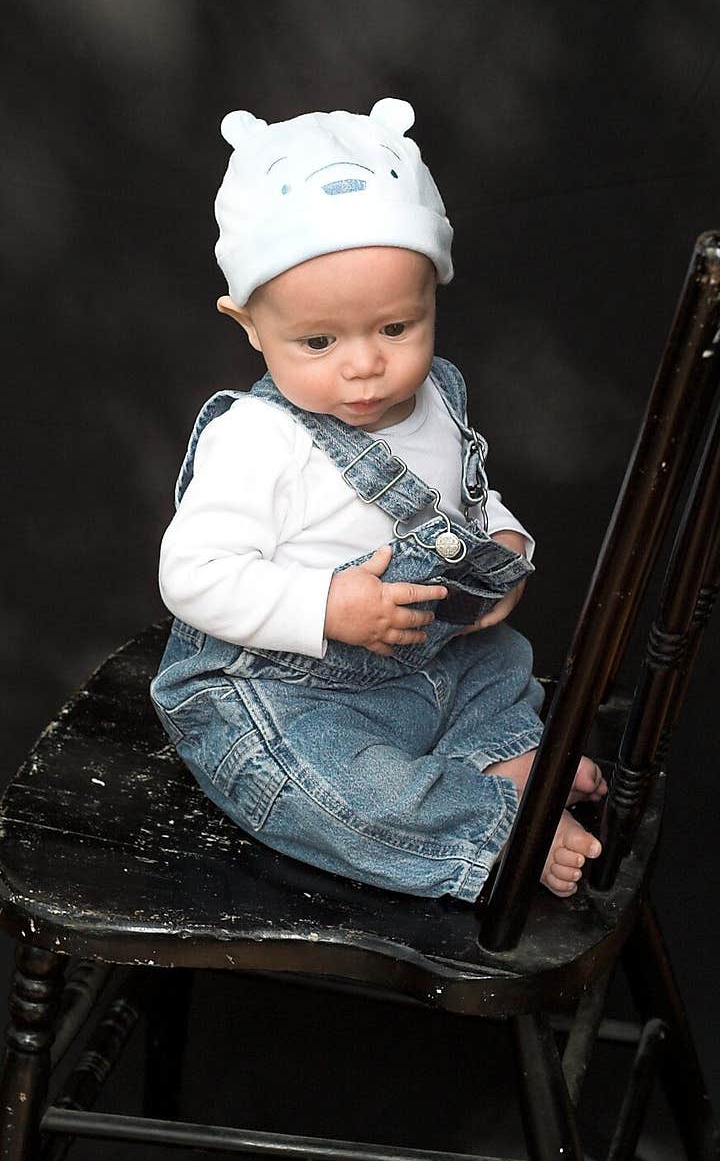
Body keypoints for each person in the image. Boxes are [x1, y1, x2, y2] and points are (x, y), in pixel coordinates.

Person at [150, 97, 605, 903]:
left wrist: (505, 541)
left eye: (396, 327)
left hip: (420, 662)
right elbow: (192, 572)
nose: (364, 366)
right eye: (319, 342)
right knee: (330, 788)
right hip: (286, 692)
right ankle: (500, 826)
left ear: (433, 294)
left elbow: (462, 491)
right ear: (249, 324)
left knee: (496, 662)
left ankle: (498, 749)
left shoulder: (436, 392)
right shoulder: (260, 437)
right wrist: (326, 603)